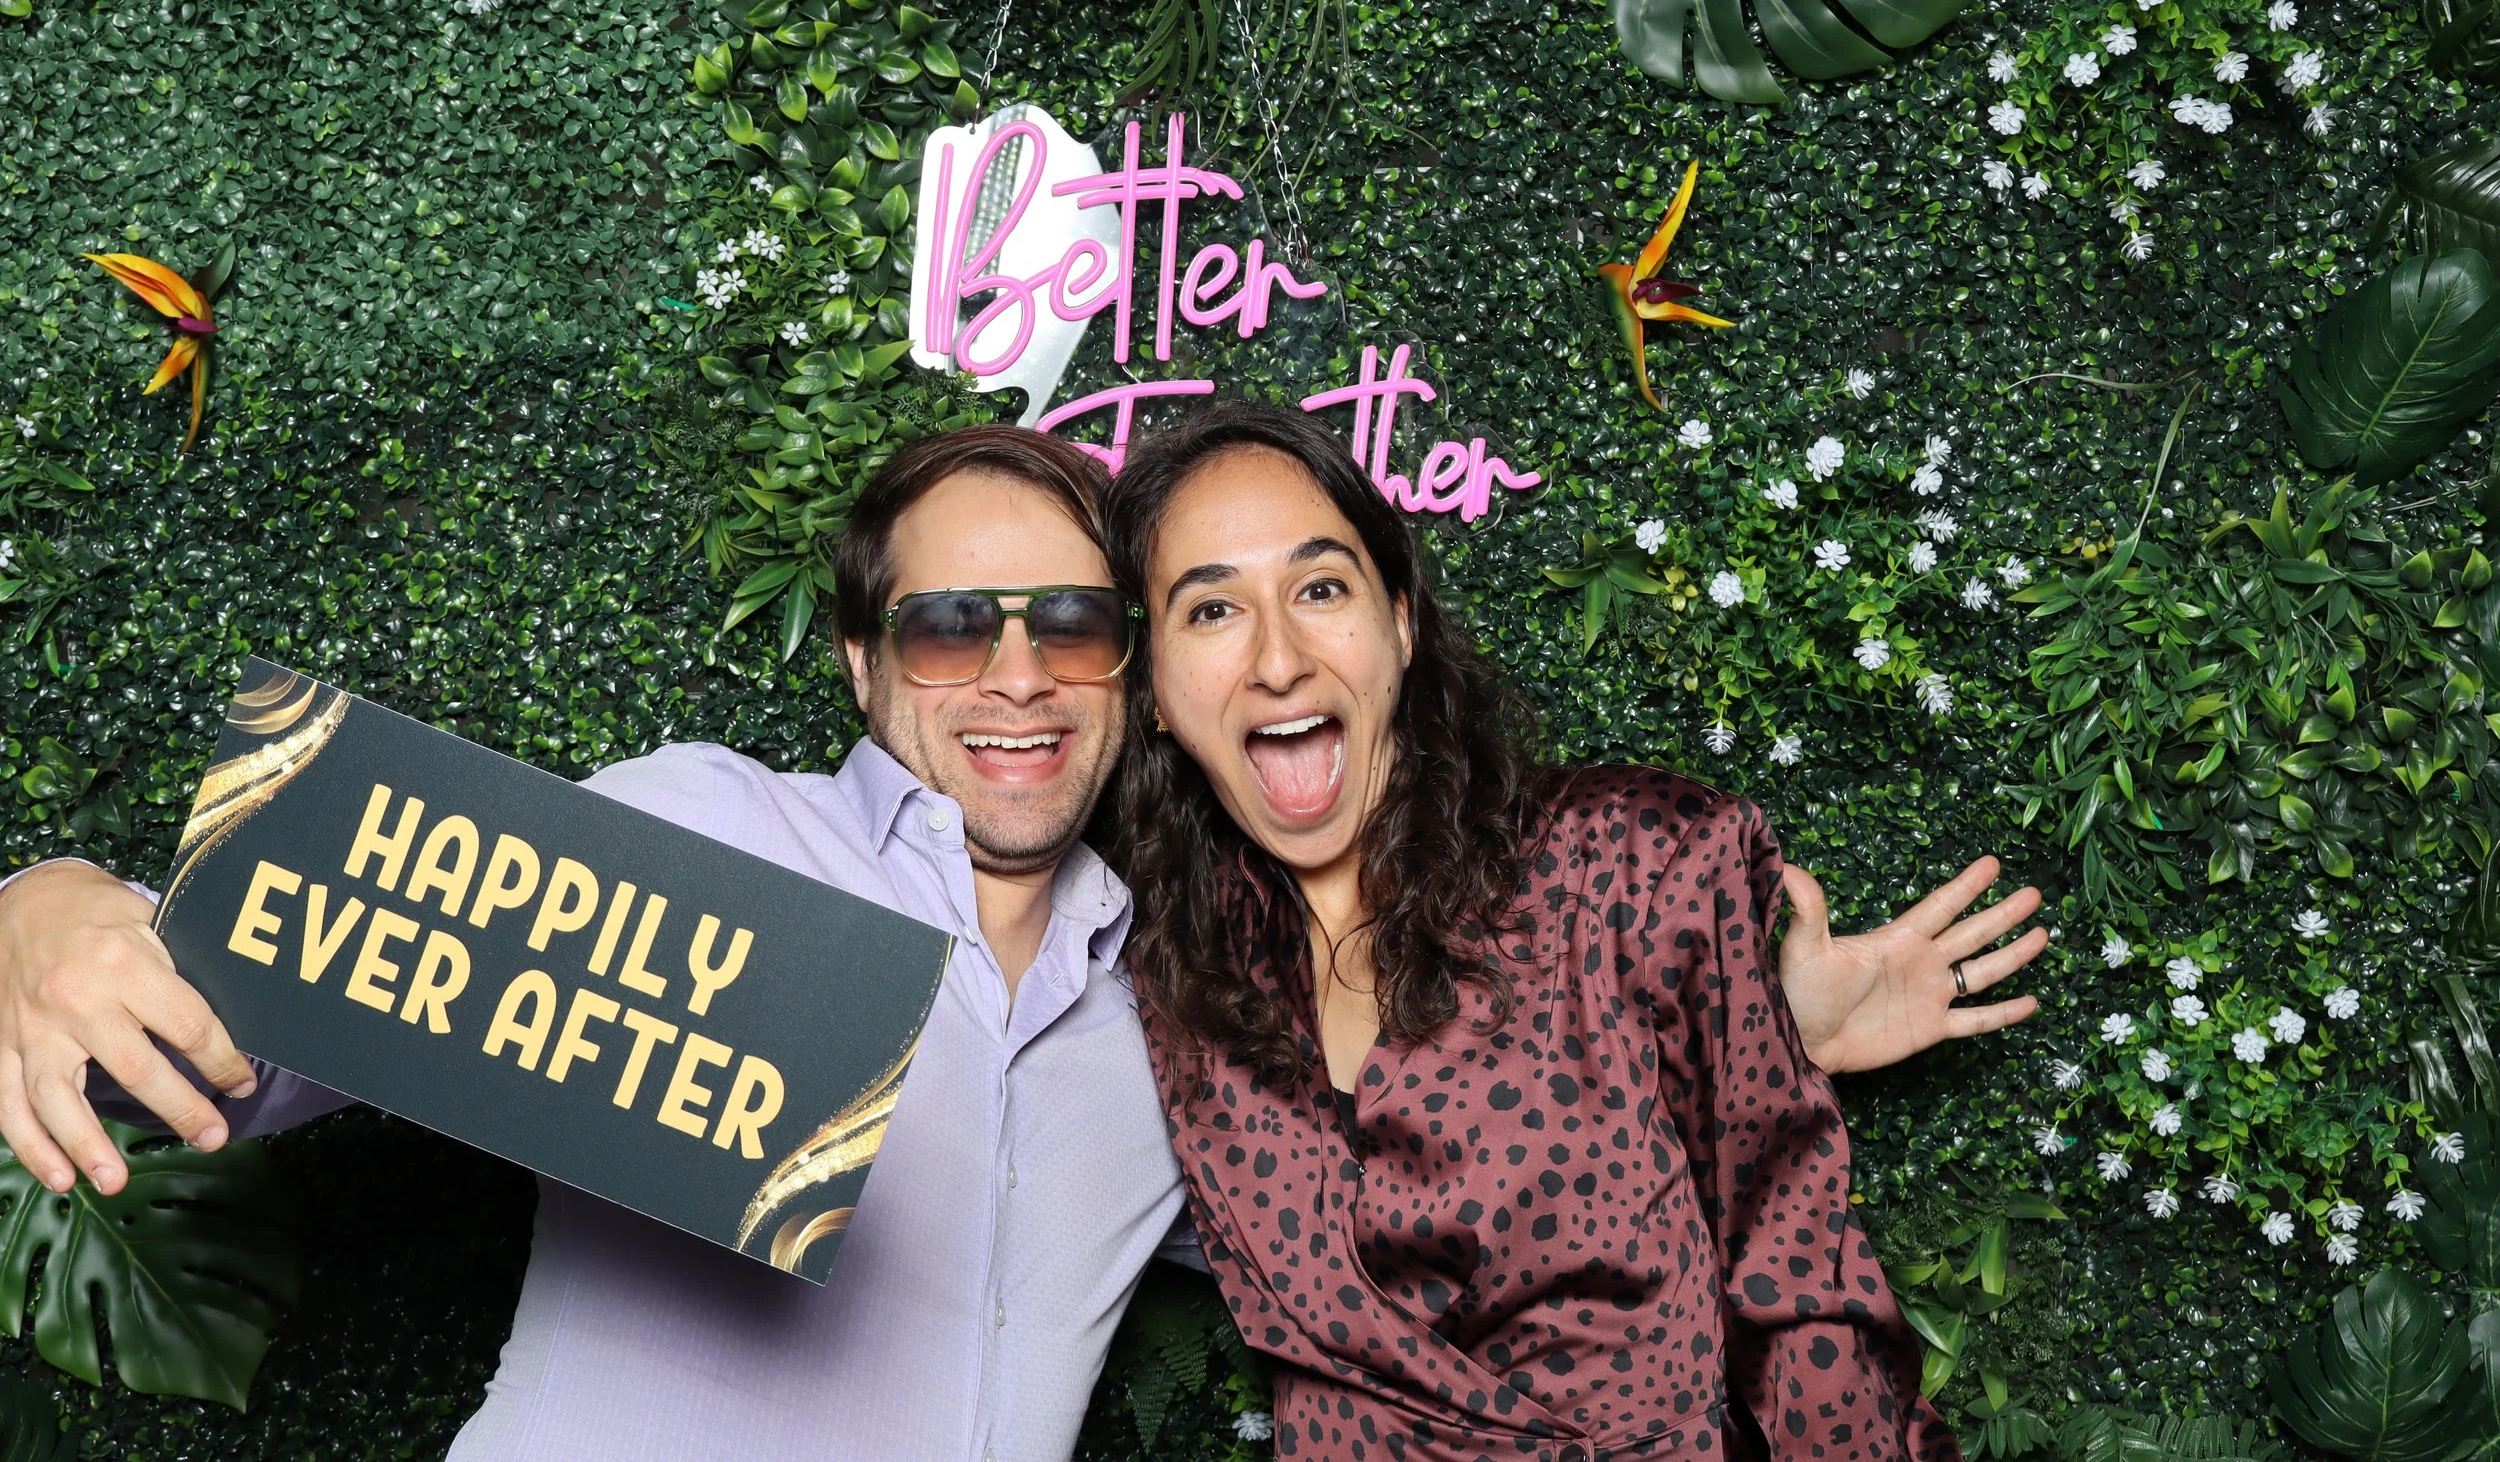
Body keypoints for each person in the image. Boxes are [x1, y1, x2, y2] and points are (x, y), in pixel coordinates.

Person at [0, 427, 2038, 1461]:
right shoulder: (701, 827)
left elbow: (1421, 1208)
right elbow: (271, 1015)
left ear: (1131, 669)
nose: (1012, 674)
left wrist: (1731, 1036)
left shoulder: (1195, 1006)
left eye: (1067, 616)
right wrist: (46, 907)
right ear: (865, 659)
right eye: (948, 624)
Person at [1100, 403, 2027, 1462]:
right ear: (1156, 698)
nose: (1277, 658)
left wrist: (1753, 1032)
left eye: (1320, 588)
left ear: (1400, 623)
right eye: (1210, 610)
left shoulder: (1630, 863)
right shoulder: (1172, 984)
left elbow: (1797, 1281)